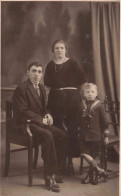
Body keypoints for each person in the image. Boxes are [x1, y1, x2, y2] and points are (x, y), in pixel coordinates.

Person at [13, 62, 68, 192]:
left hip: (40, 123)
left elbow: (45, 108)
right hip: (26, 124)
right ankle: (49, 176)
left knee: (62, 135)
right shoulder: (21, 88)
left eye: (39, 71)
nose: (37, 74)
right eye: (34, 71)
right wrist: (40, 119)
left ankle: (57, 171)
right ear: (28, 72)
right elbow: (22, 110)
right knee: (47, 134)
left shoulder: (42, 88)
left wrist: (48, 115)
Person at [44, 39, 87, 175]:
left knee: (72, 129)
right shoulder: (50, 65)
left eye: (62, 48)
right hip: (55, 99)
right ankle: (58, 162)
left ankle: (69, 162)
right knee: (58, 129)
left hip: (72, 100)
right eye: (56, 48)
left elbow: (82, 80)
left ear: (66, 49)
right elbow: (46, 82)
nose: (59, 50)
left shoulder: (73, 63)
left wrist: (76, 95)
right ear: (53, 50)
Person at [78, 83, 108, 184]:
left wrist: (106, 136)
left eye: (92, 92)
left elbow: (105, 122)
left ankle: (91, 175)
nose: (90, 94)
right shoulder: (82, 105)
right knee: (83, 153)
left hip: (96, 135)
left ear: (96, 93)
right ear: (84, 94)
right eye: (88, 92)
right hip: (84, 135)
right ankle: (99, 170)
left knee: (94, 156)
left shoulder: (99, 106)